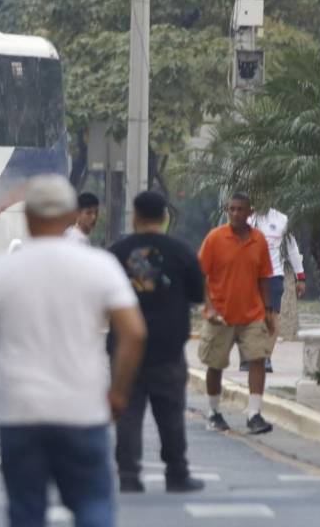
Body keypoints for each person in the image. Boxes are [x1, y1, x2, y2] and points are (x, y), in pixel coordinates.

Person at [0, 175, 146, 527]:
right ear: (71, 215)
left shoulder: (0, 271)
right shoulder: (99, 266)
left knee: (26, 512)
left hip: (21, 414)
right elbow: (134, 333)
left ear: (28, 217)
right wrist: (118, 393)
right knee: (93, 504)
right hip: (83, 411)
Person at [109, 191, 205, 494]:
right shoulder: (181, 252)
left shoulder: (117, 252)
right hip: (168, 349)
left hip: (125, 351)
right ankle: (177, 474)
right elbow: (198, 294)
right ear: (164, 217)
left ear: (135, 216)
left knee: (127, 414)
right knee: (171, 413)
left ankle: (128, 476)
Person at [198, 193, 274, 435]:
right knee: (215, 364)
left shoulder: (259, 240)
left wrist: (268, 310)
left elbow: (264, 277)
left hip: (252, 314)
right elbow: (201, 275)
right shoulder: (215, 238)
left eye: (240, 209)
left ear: (250, 212)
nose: (235, 213)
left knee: (258, 359)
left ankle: (254, 414)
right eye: (231, 209)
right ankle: (213, 412)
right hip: (221, 315)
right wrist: (209, 307)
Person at [246, 207, 306, 373]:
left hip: (273, 275)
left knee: (271, 318)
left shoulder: (282, 220)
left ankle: (266, 357)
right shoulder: (245, 219)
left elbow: (292, 249)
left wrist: (300, 276)